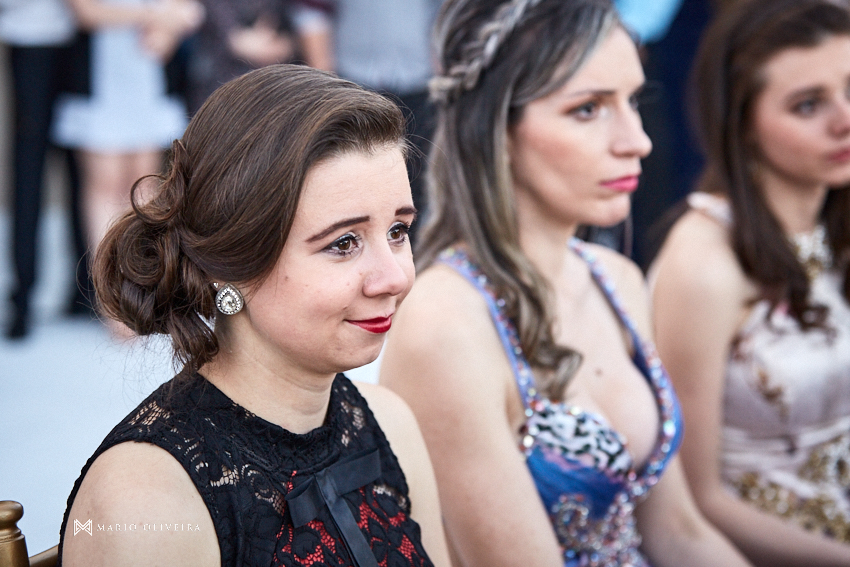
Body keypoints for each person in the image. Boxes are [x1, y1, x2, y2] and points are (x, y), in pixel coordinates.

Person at [379, 0, 751, 565]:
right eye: (587, 109)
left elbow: (677, 530)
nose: (637, 140)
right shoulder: (445, 323)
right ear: (498, 129)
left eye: (633, 101)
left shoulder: (617, 280)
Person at [57, 64, 451, 567]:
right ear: (232, 268)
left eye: (398, 230)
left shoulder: (390, 423)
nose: (393, 276)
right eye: (344, 243)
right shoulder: (145, 500)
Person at [650, 0, 850, 564]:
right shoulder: (705, 263)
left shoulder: (833, 216)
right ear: (743, 123)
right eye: (808, 105)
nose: (844, 119)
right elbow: (692, 500)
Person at [52, 0, 203, 256]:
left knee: (144, 182)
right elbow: (84, 12)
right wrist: (152, 16)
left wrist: (168, 31)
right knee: (105, 185)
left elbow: (187, 12)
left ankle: (140, 274)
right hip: (99, 77)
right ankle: (106, 277)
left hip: (146, 74)